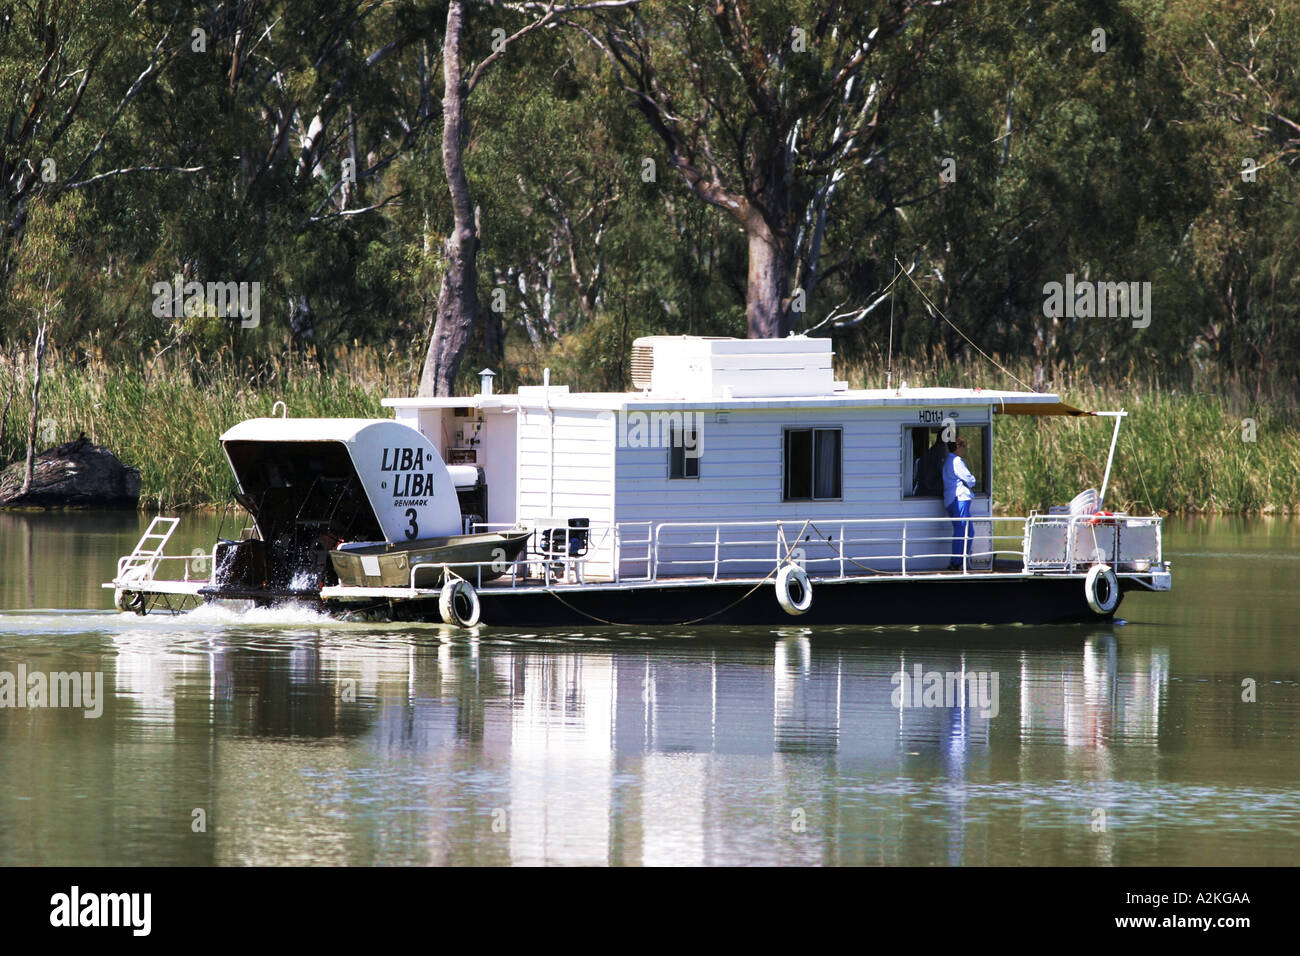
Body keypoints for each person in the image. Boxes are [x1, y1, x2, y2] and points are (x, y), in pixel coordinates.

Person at [942, 436, 977, 570]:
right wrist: (973, 480)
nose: (964, 449)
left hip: (951, 498)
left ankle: (960, 560)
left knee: (966, 530)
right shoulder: (956, 461)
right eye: (963, 445)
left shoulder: (948, 461)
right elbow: (969, 479)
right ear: (957, 447)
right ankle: (956, 562)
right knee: (962, 530)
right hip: (959, 498)